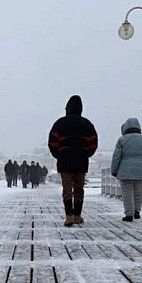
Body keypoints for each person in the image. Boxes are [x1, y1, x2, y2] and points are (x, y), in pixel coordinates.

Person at [48, 95, 98, 227]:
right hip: (81, 160)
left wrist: (59, 155)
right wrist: (86, 154)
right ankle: (77, 215)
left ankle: (69, 216)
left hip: (65, 160)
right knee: (79, 189)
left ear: (67, 108)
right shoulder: (87, 124)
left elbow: (53, 142)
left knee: (67, 189)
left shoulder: (59, 123)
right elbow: (93, 143)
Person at [111, 117, 142, 222]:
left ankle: (129, 214)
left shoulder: (122, 140)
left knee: (127, 194)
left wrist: (114, 170)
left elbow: (116, 156)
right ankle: (137, 211)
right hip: (140, 169)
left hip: (125, 170)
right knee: (138, 192)